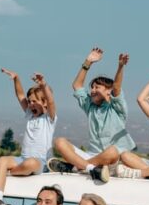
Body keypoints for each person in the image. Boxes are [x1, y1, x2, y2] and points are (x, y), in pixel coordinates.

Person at [47, 48, 136, 183]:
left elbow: (117, 87)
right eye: (92, 87)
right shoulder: (90, 106)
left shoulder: (117, 108)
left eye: (97, 87)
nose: (92, 91)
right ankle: (88, 168)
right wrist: (88, 62)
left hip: (111, 162)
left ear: (108, 91)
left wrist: (120, 66)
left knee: (112, 151)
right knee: (59, 142)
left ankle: (75, 167)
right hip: (91, 158)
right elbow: (77, 85)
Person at [0, 68, 57, 205]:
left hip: (40, 161)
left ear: (43, 103)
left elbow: (51, 100)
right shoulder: (30, 115)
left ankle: (5, 173)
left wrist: (43, 84)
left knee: (30, 163)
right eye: (29, 102)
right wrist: (16, 78)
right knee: (3, 160)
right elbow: (20, 95)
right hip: (22, 158)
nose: (30, 105)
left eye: (34, 102)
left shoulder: (49, 118)